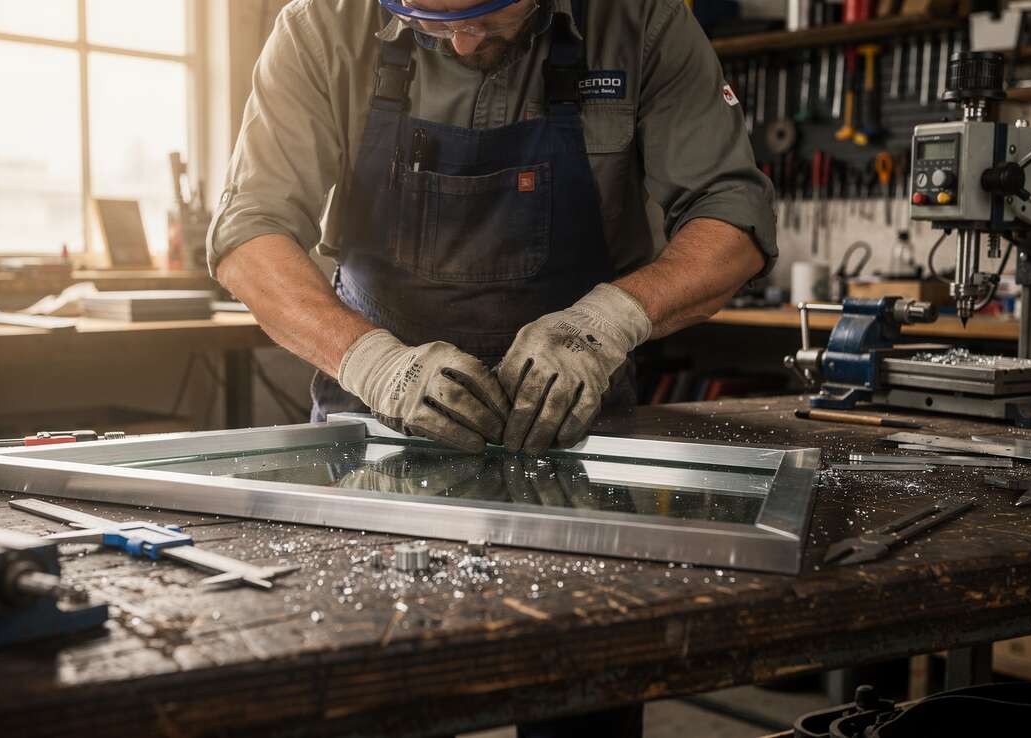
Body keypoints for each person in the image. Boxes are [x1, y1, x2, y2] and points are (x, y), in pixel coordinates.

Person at [210, 0, 777, 458]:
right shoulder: (319, 27)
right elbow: (250, 230)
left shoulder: (642, 21)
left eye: (485, 17)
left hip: (576, 425)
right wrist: (373, 363)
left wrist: (608, 322)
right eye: (427, 20)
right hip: (371, 421)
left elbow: (732, 212)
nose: (461, 41)